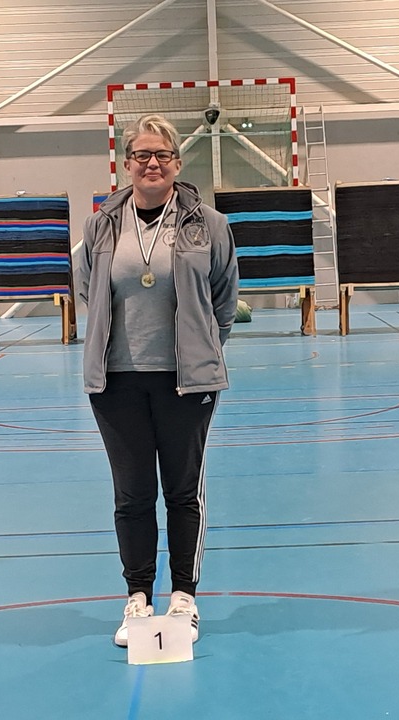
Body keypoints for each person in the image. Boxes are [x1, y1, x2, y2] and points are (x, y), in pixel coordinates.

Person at [75, 114, 239, 647]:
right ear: (126, 164)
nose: (152, 164)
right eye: (142, 155)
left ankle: (184, 597)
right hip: (116, 381)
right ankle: (138, 597)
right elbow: (87, 289)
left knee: (183, 492)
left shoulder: (208, 224)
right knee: (132, 494)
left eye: (162, 155)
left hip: (185, 382)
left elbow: (224, 298)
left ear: (177, 163)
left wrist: (203, 347)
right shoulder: (101, 225)